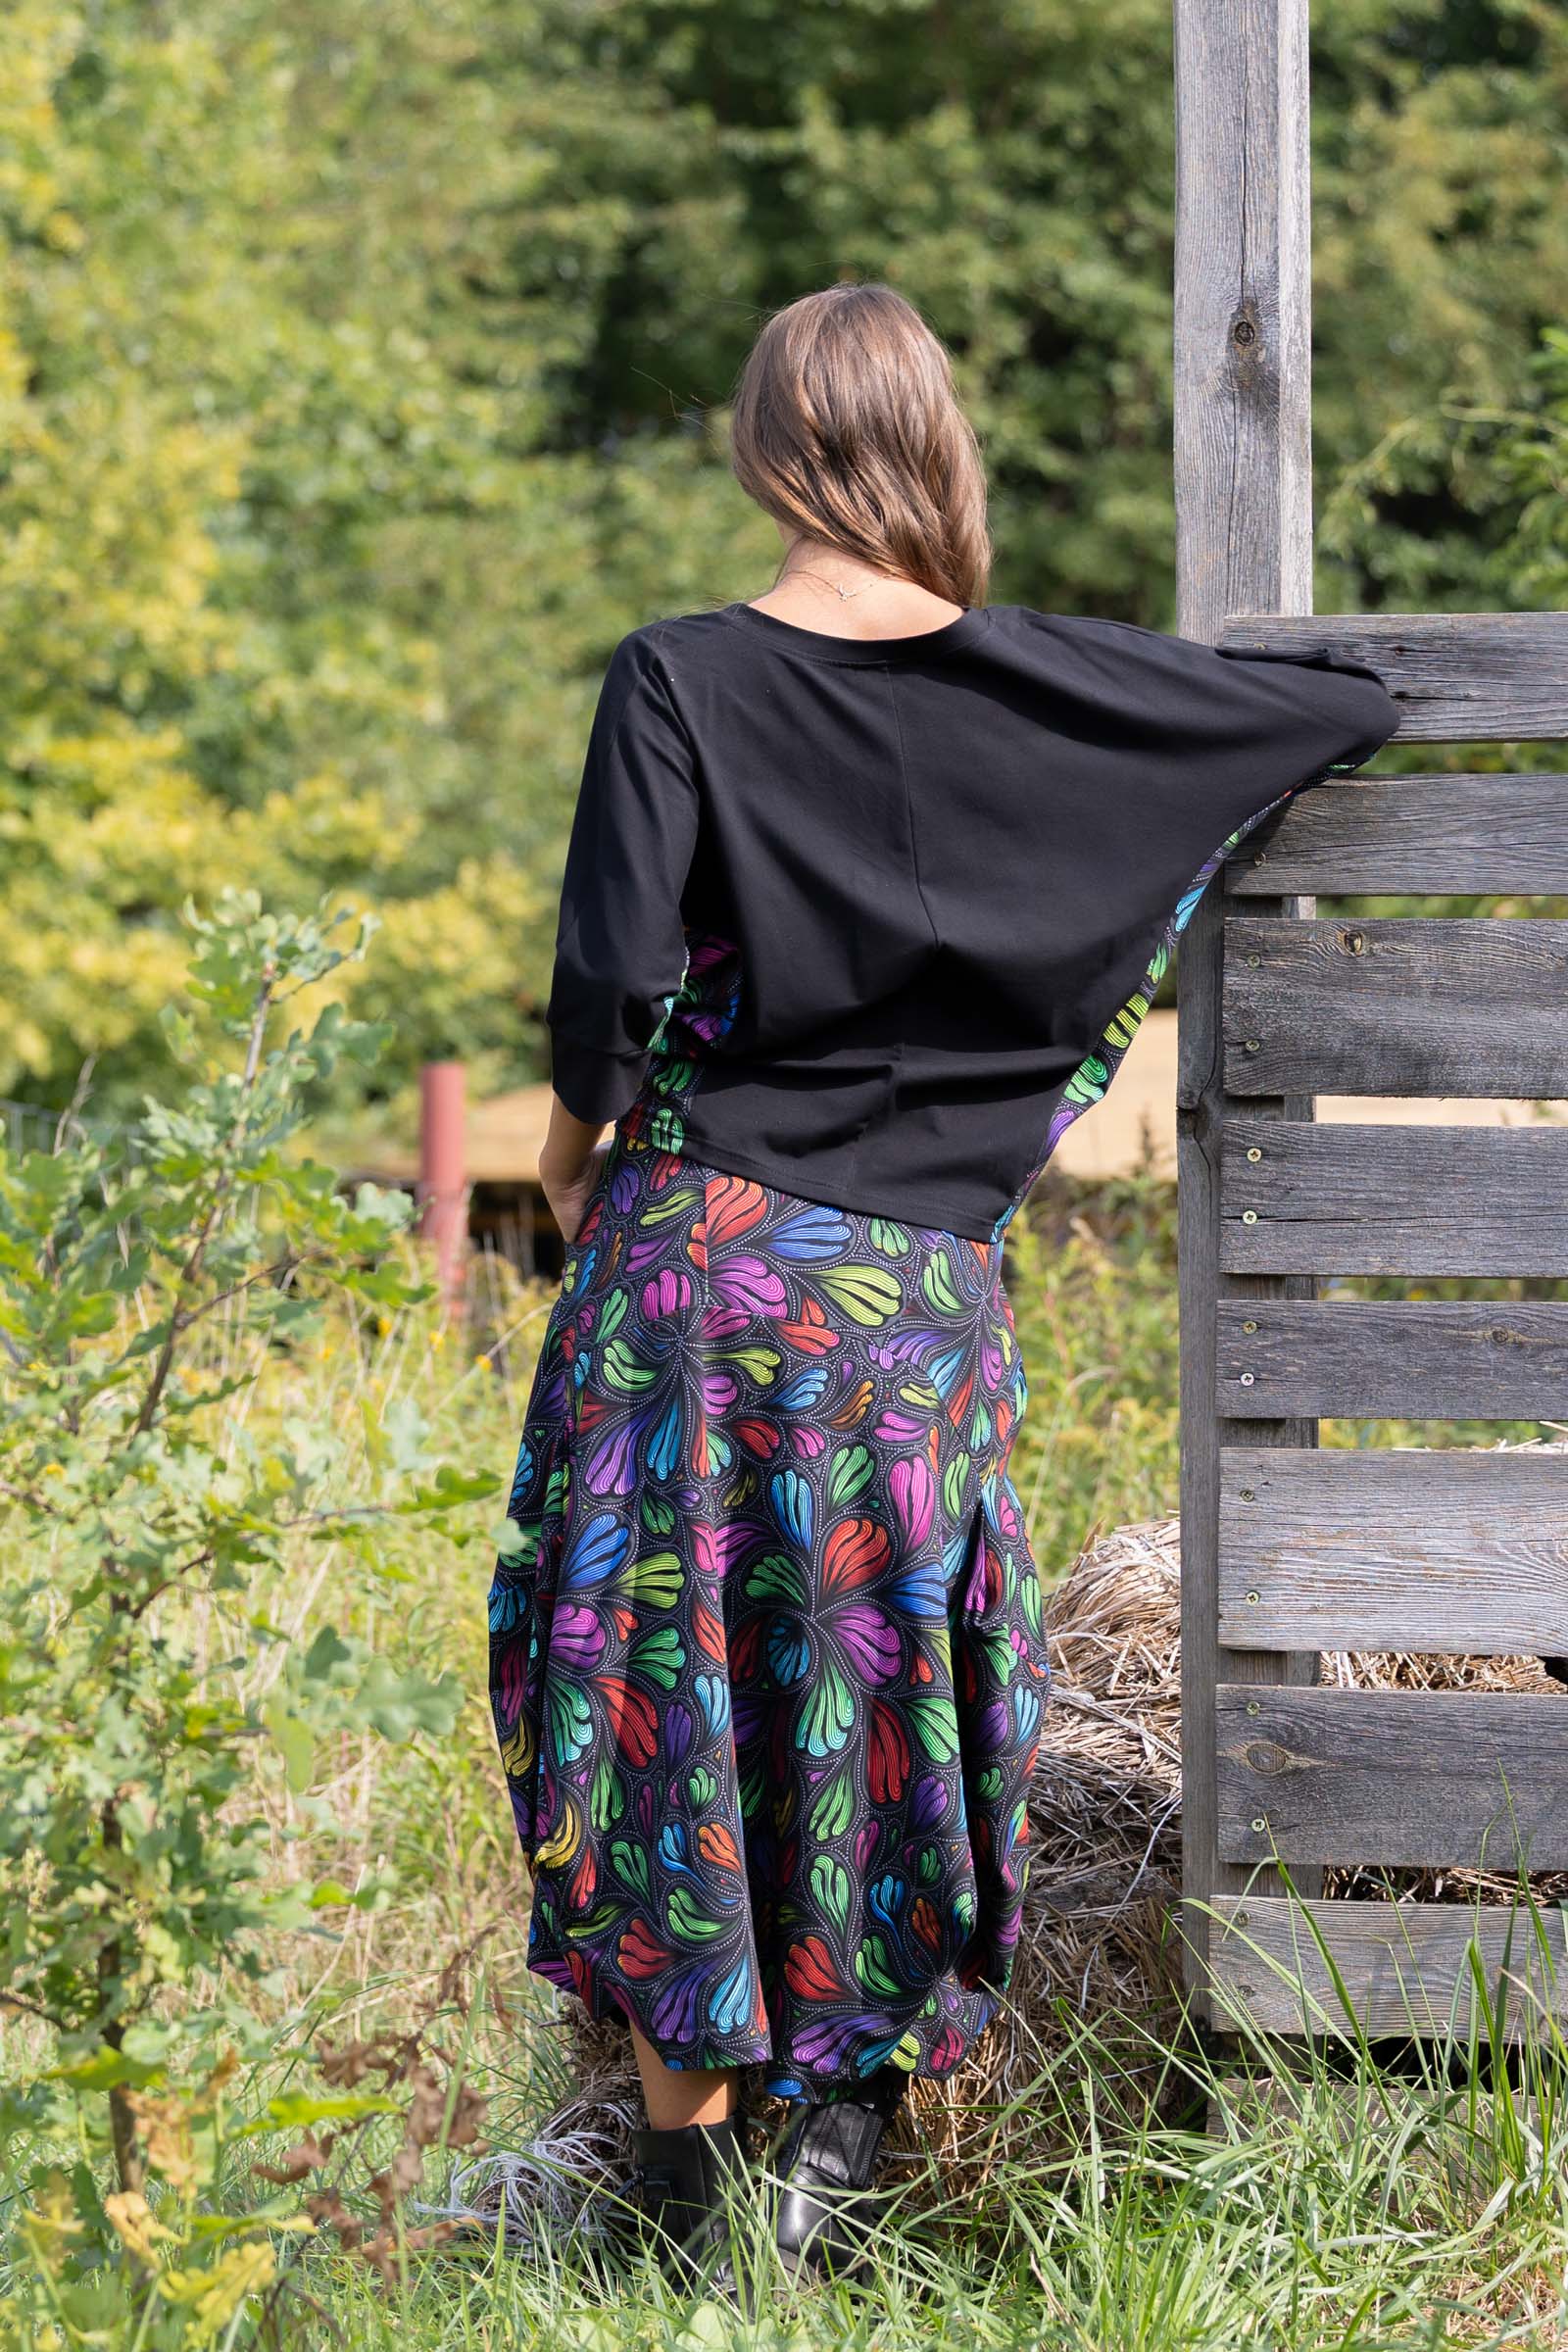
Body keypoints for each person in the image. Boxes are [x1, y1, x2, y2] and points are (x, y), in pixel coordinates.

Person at [487, 282, 1402, 2301]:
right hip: (905, 1310)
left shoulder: (680, 676)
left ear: (763, 453)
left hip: (694, 1272)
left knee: (658, 1696)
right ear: (938, 451)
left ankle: (683, 2199)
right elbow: (1333, 706)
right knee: (882, 1691)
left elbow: (608, 994)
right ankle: (837, 2157)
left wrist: (565, 1165)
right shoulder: (1047, 696)